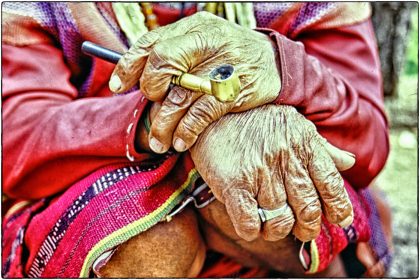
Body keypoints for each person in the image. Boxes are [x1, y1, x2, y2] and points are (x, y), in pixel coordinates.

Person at [2, 2, 391, 278]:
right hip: (99, 180)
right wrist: (181, 120)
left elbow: (366, 144)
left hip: (261, 227)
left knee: (280, 191)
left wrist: (280, 68)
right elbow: (16, 137)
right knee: (151, 239)